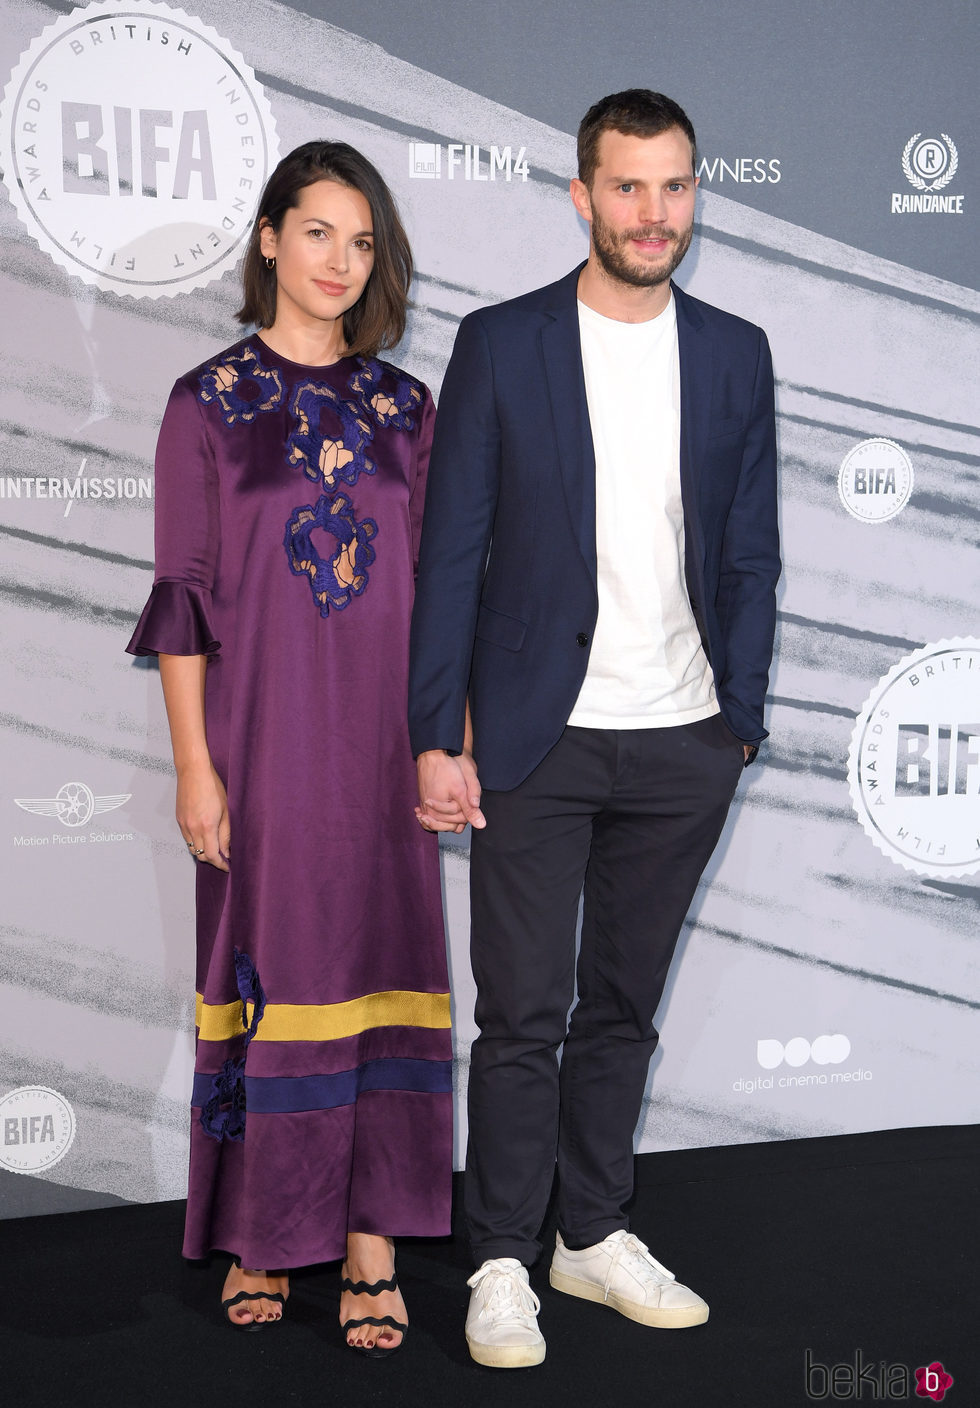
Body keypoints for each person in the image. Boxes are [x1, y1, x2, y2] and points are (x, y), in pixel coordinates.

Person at [408, 90, 780, 1368]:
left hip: (681, 739)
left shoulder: (734, 350)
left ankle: (592, 1232)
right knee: (521, 1014)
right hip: (533, 737)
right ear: (580, 195)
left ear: (693, 195)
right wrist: (432, 734)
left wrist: (736, 716)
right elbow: (449, 555)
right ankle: (504, 1258)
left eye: (672, 187)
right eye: (626, 187)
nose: (651, 213)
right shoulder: (503, 343)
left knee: (621, 1008)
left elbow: (746, 555)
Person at [127, 141, 452, 1353]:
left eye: (361, 241)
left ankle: (372, 1238)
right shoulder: (203, 404)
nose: (339, 260)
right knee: (276, 971)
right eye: (318, 231)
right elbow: (183, 599)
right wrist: (194, 765)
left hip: (383, 750)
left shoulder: (404, 409)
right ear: (268, 237)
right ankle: (266, 1227)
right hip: (259, 745)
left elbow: (436, 595)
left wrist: (445, 743)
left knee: (378, 957)